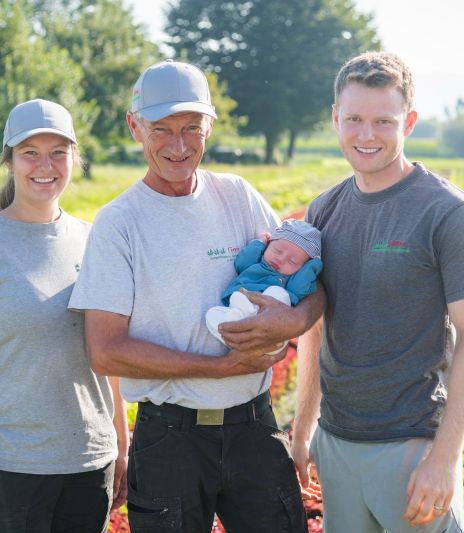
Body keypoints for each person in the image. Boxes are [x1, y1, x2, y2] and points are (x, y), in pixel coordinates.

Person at [68, 60, 324, 533]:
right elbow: (105, 351)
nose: (179, 144)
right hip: (170, 438)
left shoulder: (238, 196)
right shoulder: (120, 223)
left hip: (254, 426)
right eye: (161, 129)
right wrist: (219, 368)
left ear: (210, 126)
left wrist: (293, 322)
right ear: (134, 127)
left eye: (191, 127)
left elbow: (315, 282)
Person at [290, 51, 464, 533]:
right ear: (335, 119)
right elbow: (317, 327)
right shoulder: (324, 209)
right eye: (355, 119)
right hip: (337, 445)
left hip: (412, 448)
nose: (367, 135)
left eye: (383, 121)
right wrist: (304, 432)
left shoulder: (447, 212)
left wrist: (445, 458)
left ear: (408, 121)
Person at [0, 99, 128, 533]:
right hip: (9, 468)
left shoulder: (95, 241)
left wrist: (122, 445)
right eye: (30, 153)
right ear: (10, 160)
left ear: (75, 158)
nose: (46, 165)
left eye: (58, 152)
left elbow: (109, 354)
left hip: (90, 462)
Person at [205, 219, 323, 352]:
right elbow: (241, 262)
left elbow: (300, 288)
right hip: (241, 299)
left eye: (292, 261)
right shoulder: (256, 264)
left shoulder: (289, 282)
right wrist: (259, 243)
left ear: (302, 267)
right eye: (278, 251)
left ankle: (247, 322)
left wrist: (312, 266)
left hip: (271, 323)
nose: (281, 259)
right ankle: (236, 324)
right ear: (269, 244)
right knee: (212, 314)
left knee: (278, 292)